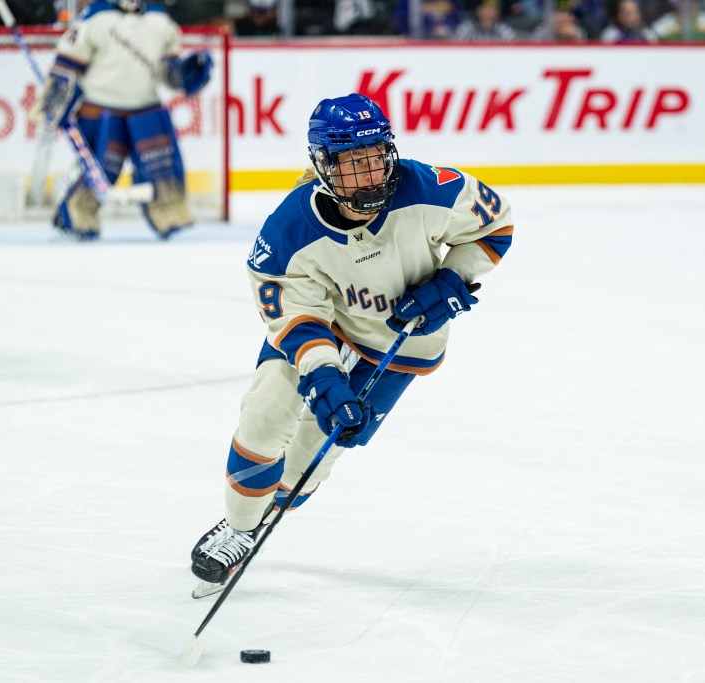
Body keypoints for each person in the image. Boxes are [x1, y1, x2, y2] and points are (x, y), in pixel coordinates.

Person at [189, 93, 514, 590]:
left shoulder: (429, 189)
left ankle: (269, 511)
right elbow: (297, 316)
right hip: (329, 328)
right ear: (323, 164)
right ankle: (237, 528)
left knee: (311, 457)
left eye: (375, 157)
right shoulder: (289, 231)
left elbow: (495, 225)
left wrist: (451, 280)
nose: (369, 174)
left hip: (398, 347)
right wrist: (322, 375)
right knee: (265, 415)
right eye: (352, 162)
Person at [32, 0, 213, 240]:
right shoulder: (94, 17)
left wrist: (187, 71)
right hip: (100, 110)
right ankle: (74, 215)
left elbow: (168, 71)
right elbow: (68, 63)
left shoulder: (160, 19)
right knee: (103, 170)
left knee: (162, 166)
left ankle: (169, 214)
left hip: (146, 109)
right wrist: (56, 100)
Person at [452, 0, 518, 40]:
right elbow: (455, 46)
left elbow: (513, 46)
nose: (489, 12)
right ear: (478, 10)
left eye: (492, 9)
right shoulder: (467, 27)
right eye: (485, 8)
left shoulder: (503, 29)